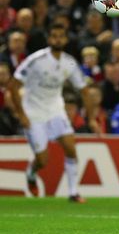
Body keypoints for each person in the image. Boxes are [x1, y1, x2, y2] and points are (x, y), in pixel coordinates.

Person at [7, 23, 98, 202]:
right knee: (42, 160)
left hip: (56, 111)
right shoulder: (36, 60)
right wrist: (22, 115)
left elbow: (84, 90)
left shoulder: (69, 62)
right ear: (49, 39)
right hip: (34, 114)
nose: (57, 39)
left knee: (71, 149)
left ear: (65, 39)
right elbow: (13, 86)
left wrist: (92, 117)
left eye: (61, 36)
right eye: (54, 36)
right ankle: (32, 173)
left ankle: (73, 192)